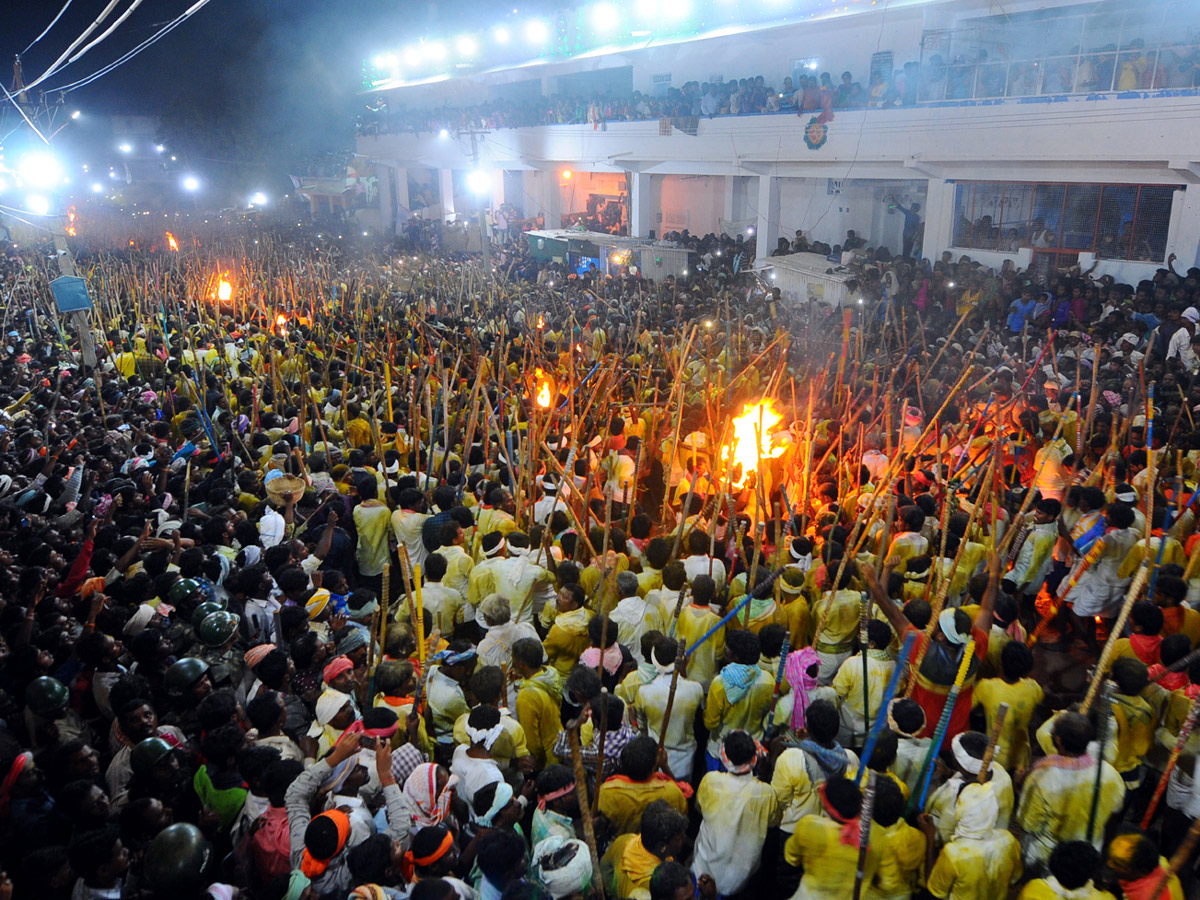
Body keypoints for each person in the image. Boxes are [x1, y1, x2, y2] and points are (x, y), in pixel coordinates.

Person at [691, 730, 781, 896]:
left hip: (702, 869)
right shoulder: (765, 793)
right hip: (739, 879)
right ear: (754, 759)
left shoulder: (711, 781)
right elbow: (774, 821)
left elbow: (699, 807)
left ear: (725, 758)